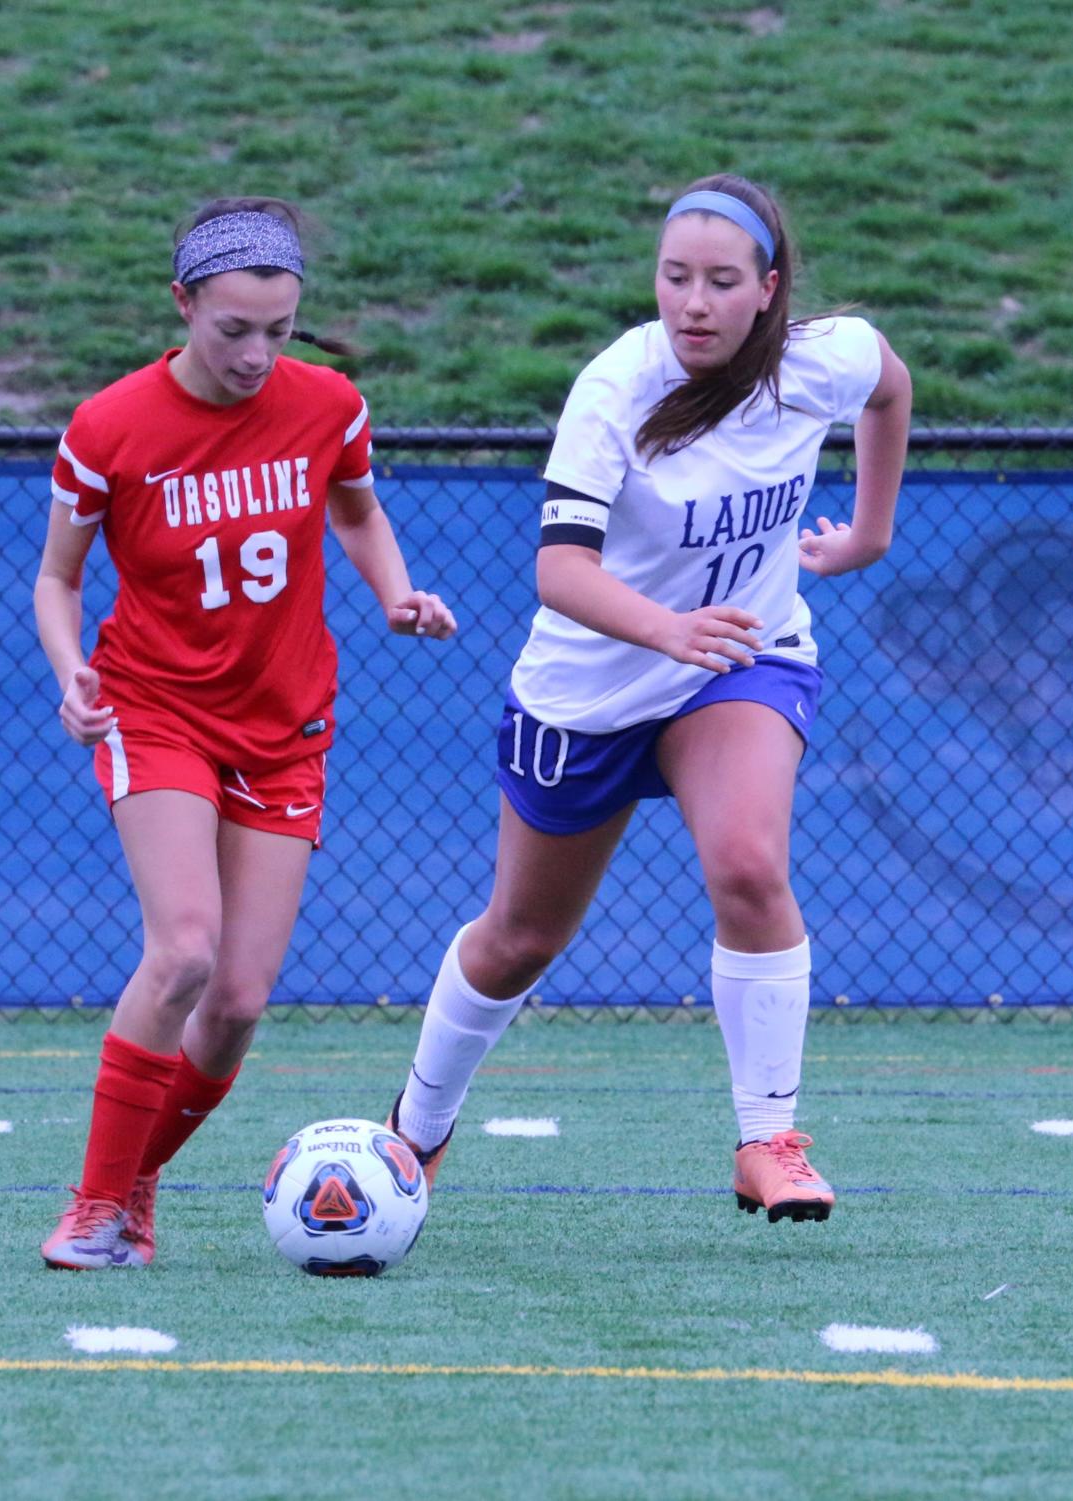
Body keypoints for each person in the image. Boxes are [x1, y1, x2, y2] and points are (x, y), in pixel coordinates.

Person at [386, 172, 911, 1224]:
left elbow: (890, 387)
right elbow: (559, 574)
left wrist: (869, 533)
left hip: (740, 664)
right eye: (676, 278)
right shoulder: (615, 390)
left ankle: (768, 1139)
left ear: (769, 289)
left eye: (721, 281)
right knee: (520, 937)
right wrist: (668, 628)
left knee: (750, 864)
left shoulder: (824, 357)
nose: (694, 302)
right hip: (588, 691)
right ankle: (416, 1131)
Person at [34, 196, 456, 1269]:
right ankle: (92, 1214)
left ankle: (134, 1184)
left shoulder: (329, 406)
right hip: (157, 708)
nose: (258, 354)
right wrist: (71, 673)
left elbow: (355, 509)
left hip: (283, 723)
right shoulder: (109, 428)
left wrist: (397, 593)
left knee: (236, 1001)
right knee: (182, 949)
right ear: (182, 305)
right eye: (233, 330)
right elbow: (57, 577)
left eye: (279, 329)